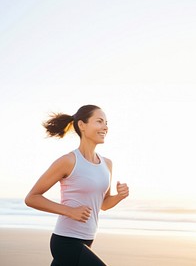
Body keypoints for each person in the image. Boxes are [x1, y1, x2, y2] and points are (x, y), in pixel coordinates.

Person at [25, 104, 129, 266]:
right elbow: (32, 198)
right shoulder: (68, 161)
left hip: (88, 239)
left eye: (106, 123)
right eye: (99, 121)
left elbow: (103, 205)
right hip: (66, 241)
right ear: (82, 125)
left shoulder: (107, 164)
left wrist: (120, 196)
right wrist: (69, 211)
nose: (105, 127)